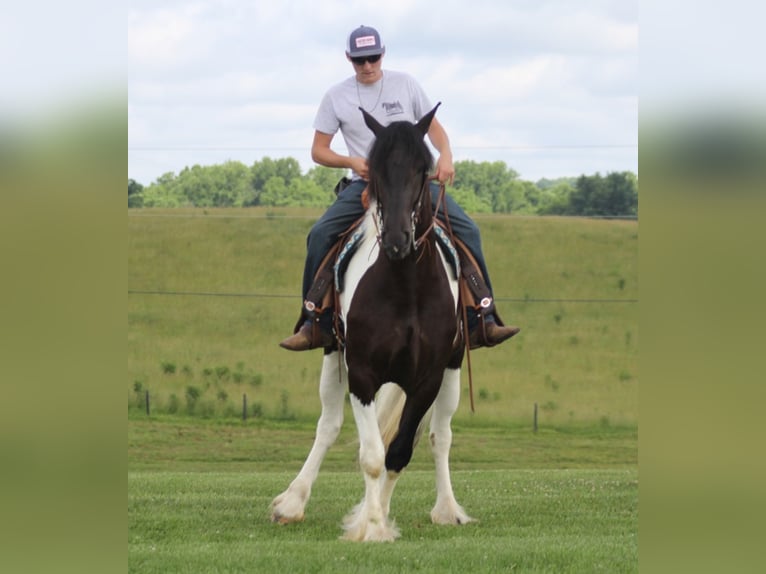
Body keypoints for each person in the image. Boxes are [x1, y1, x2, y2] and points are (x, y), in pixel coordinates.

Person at [280, 25, 519, 351]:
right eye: (360, 60)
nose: (367, 66)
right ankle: (313, 322)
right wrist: (352, 162)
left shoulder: (405, 85)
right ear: (349, 58)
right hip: (365, 182)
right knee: (319, 234)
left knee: (470, 231)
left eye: (373, 58)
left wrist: (445, 155)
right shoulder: (336, 96)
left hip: (412, 184)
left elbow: (436, 131)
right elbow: (318, 150)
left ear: (383, 53)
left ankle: (483, 318)